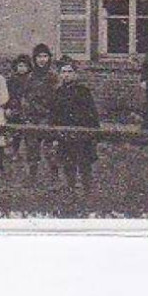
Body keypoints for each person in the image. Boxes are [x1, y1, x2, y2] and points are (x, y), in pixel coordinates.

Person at [50, 58, 100, 194]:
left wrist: (92, 133)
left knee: (84, 162)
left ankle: (87, 188)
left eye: (69, 72)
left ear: (75, 74)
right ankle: (70, 186)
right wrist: (55, 133)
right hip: (64, 133)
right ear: (60, 74)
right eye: (63, 72)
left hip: (82, 132)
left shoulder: (83, 91)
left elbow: (92, 113)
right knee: (68, 161)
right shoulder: (58, 92)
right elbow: (54, 113)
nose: (66, 75)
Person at [24, 43, 59, 181]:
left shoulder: (53, 77)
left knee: (49, 148)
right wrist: (27, 112)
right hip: (32, 116)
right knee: (32, 147)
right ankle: (32, 175)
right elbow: (26, 96)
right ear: (35, 59)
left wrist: (50, 112)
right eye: (39, 57)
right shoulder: (30, 77)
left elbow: (57, 97)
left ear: (49, 58)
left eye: (45, 56)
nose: (42, 60)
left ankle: (54, 175)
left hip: (48, 116)